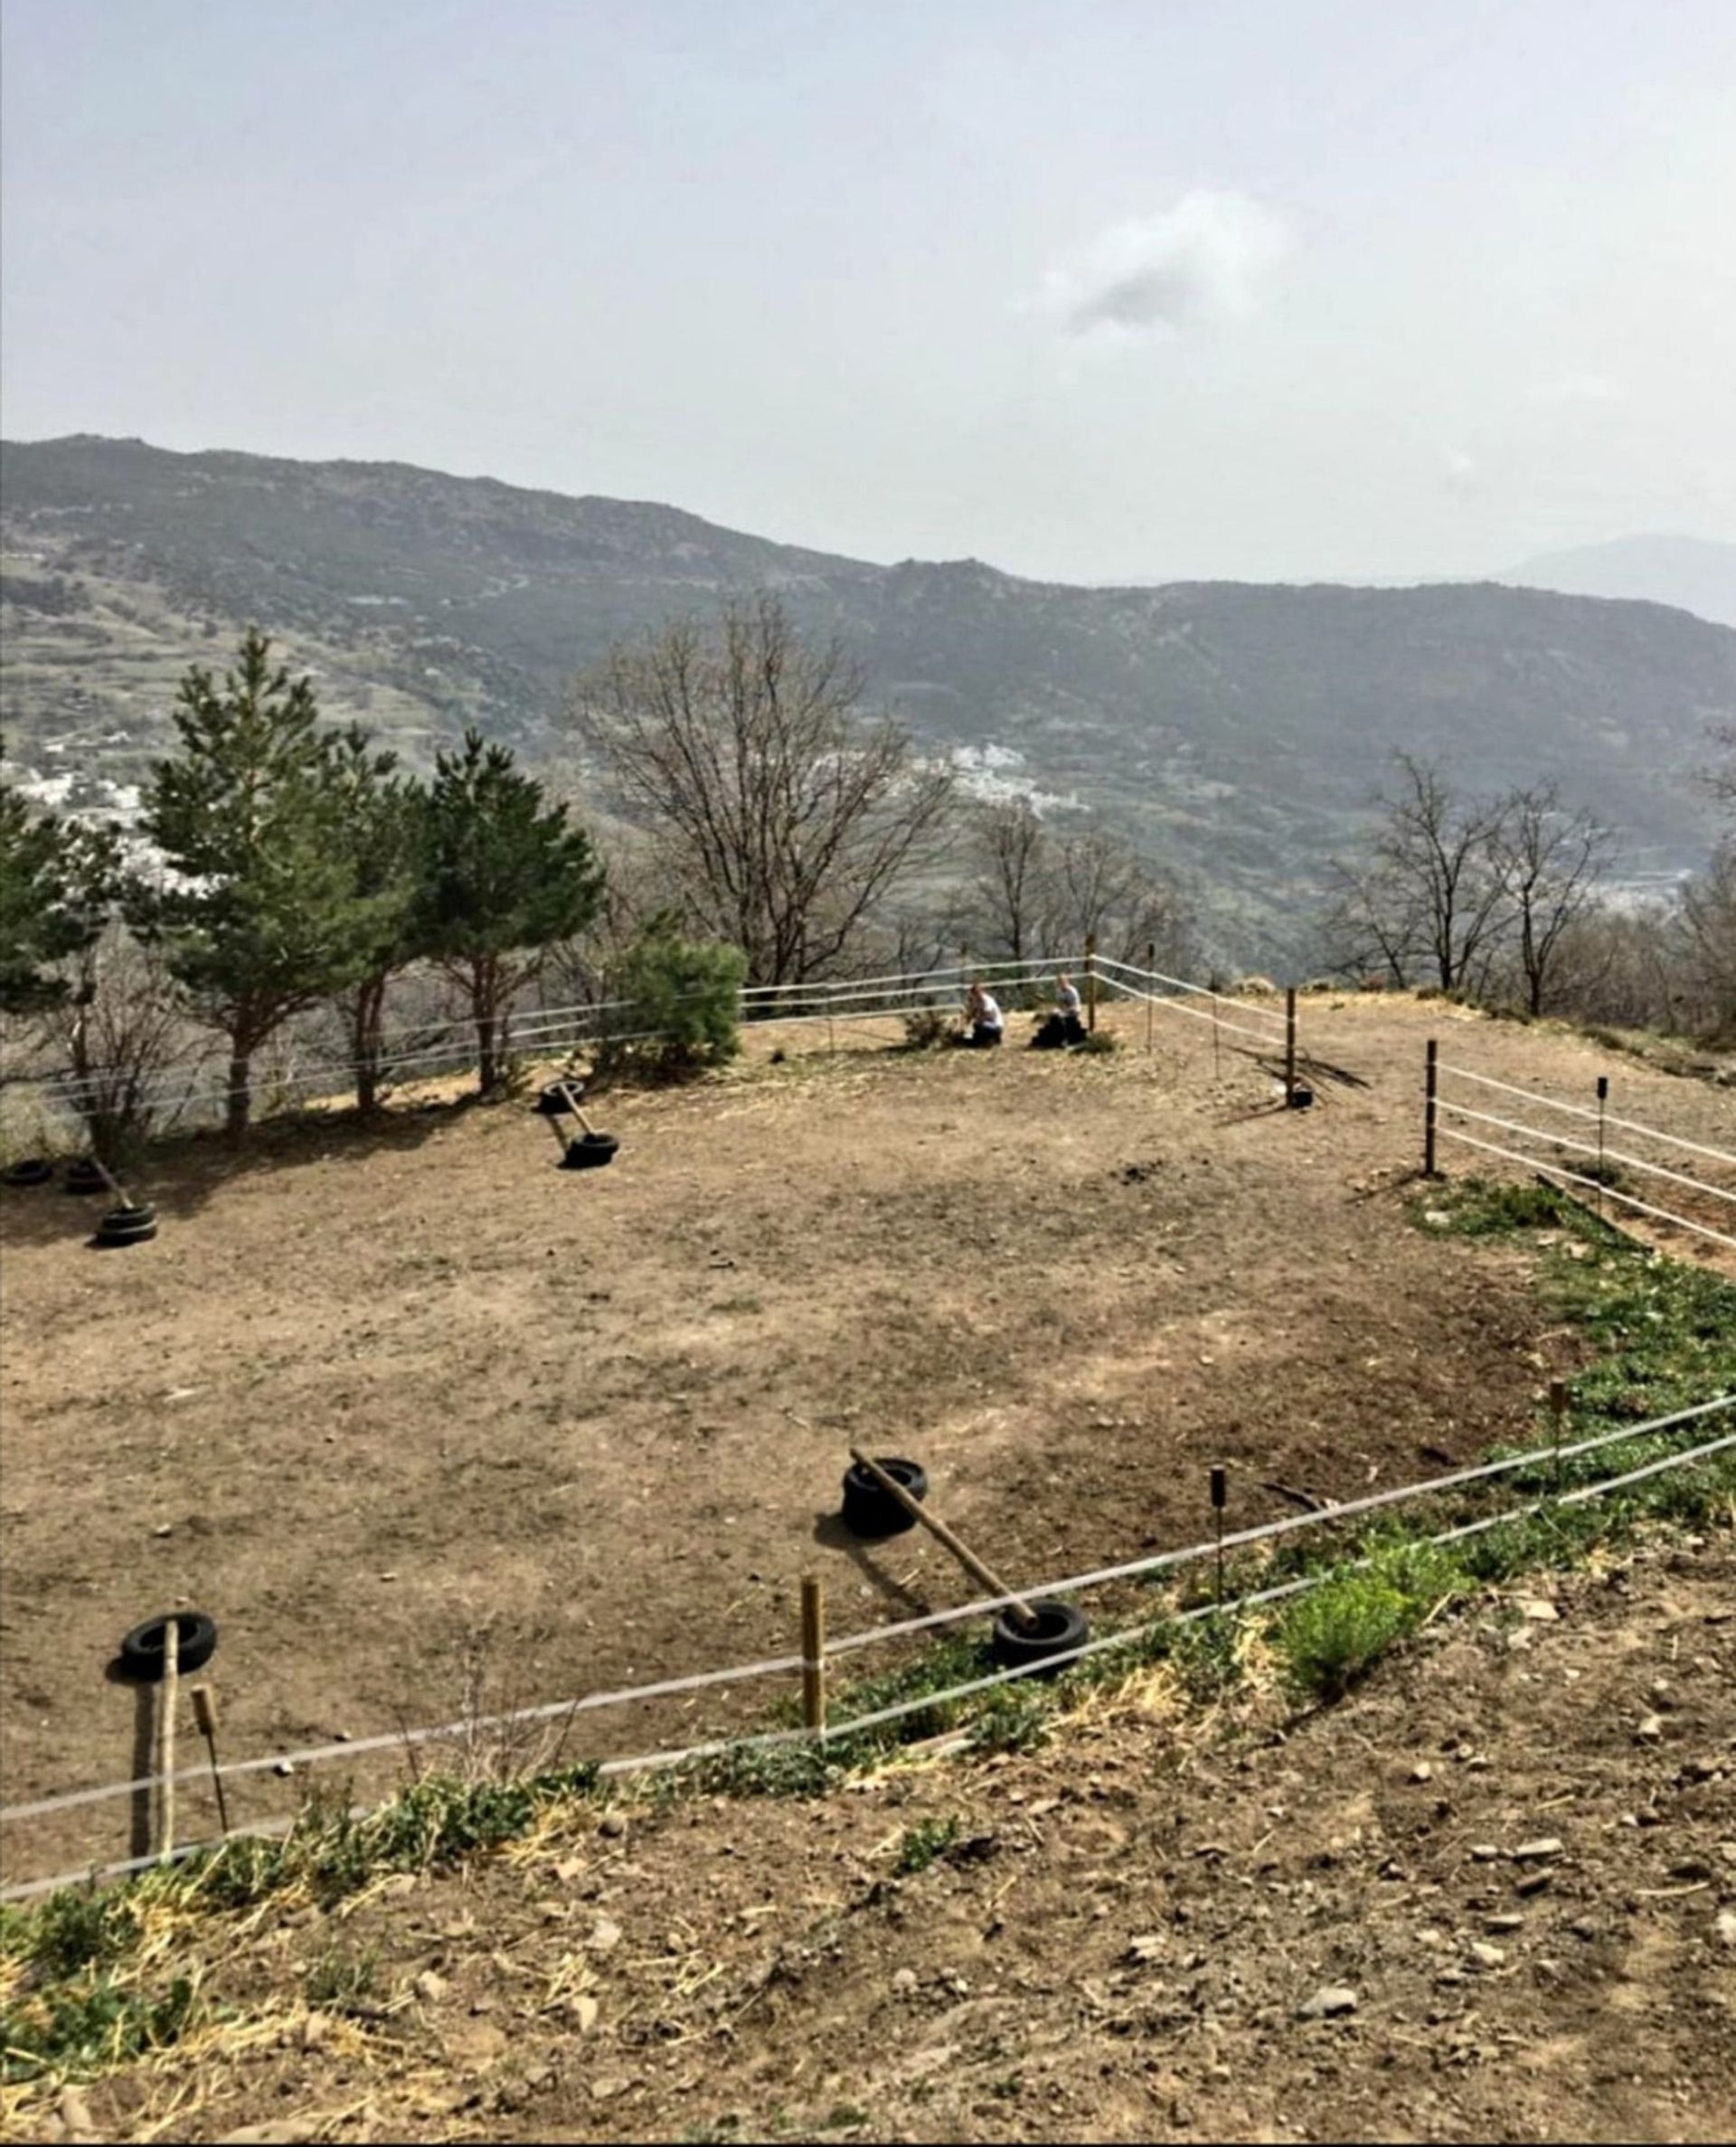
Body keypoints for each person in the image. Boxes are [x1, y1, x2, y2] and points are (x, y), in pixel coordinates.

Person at [1031, 971, 1087, 1050]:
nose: (1061, 984)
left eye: (1062, 982)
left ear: (1067, 982)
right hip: (1063, 1011)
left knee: (1061, 1019)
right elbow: (1059, 1004)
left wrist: (1064, 1010)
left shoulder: (1072, 992)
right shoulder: (1059, 991)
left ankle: (1065, 1039)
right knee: (1052, 1017)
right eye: (1059, 982)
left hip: (1073, 1012)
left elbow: (1075, 1006)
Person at [961, 979, 1005, 1047]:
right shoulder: (977, 1002)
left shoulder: (987, 1000)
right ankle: (984, 1041)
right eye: (974, 994)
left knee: (978, 1025)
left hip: (996, 1026)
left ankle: (994, 1038)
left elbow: (986, 1013)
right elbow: (974, 1013)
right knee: (977, 1026)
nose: (976, 996)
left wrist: (977, 1017)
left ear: (981, 992)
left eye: (977, 993)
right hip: (987, 1024)